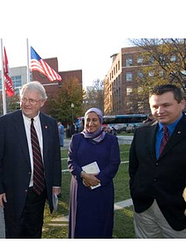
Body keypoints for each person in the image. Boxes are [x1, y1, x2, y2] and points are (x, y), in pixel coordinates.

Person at [0, 81, 62, 238]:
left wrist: (56, 183)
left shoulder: (50, 124)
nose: (26, 104)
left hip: (38, 191)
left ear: (42, 102)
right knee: (14, 233)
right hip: (13, 191)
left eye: (32, 100)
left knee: (34, 231)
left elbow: (55, 157)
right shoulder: (5, 123)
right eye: (24, 99)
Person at [129, 84, 186, 238]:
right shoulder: (142, 132)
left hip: (178, 213)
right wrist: (136, 193)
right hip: (144, 208)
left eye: (166, 105)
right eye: (155, 106)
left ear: (182, 103)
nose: (160, 111)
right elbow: (134, 168)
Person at [68, 108, 120, 238]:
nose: (91, 123)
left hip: (102, 188)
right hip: (81, 188)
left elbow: (114, 163)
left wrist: (97, 179)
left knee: (101, 223)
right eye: (88, 120)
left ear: (101, 121)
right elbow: (71, 161)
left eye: (94, 120)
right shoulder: (76, 139)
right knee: (80, 223)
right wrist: (83, 175)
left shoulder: (110, 140)